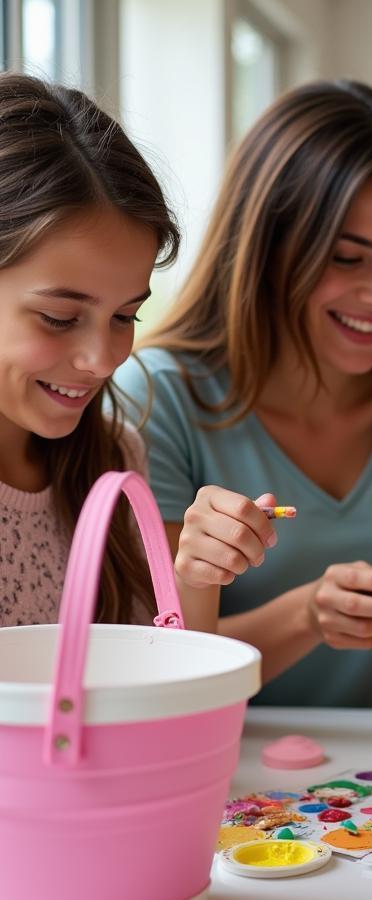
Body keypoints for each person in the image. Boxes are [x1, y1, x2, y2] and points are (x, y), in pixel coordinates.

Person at [115, 81, 372, 708]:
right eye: (348, 258)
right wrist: (305, 616)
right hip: (224, 769)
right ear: (266, 248)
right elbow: (160, 667)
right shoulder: (156, 399)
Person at [0, 72, 179, 627]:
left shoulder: (115, 461)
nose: (102, 360)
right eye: (60, 318)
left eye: (126, 316)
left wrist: (194, 578)